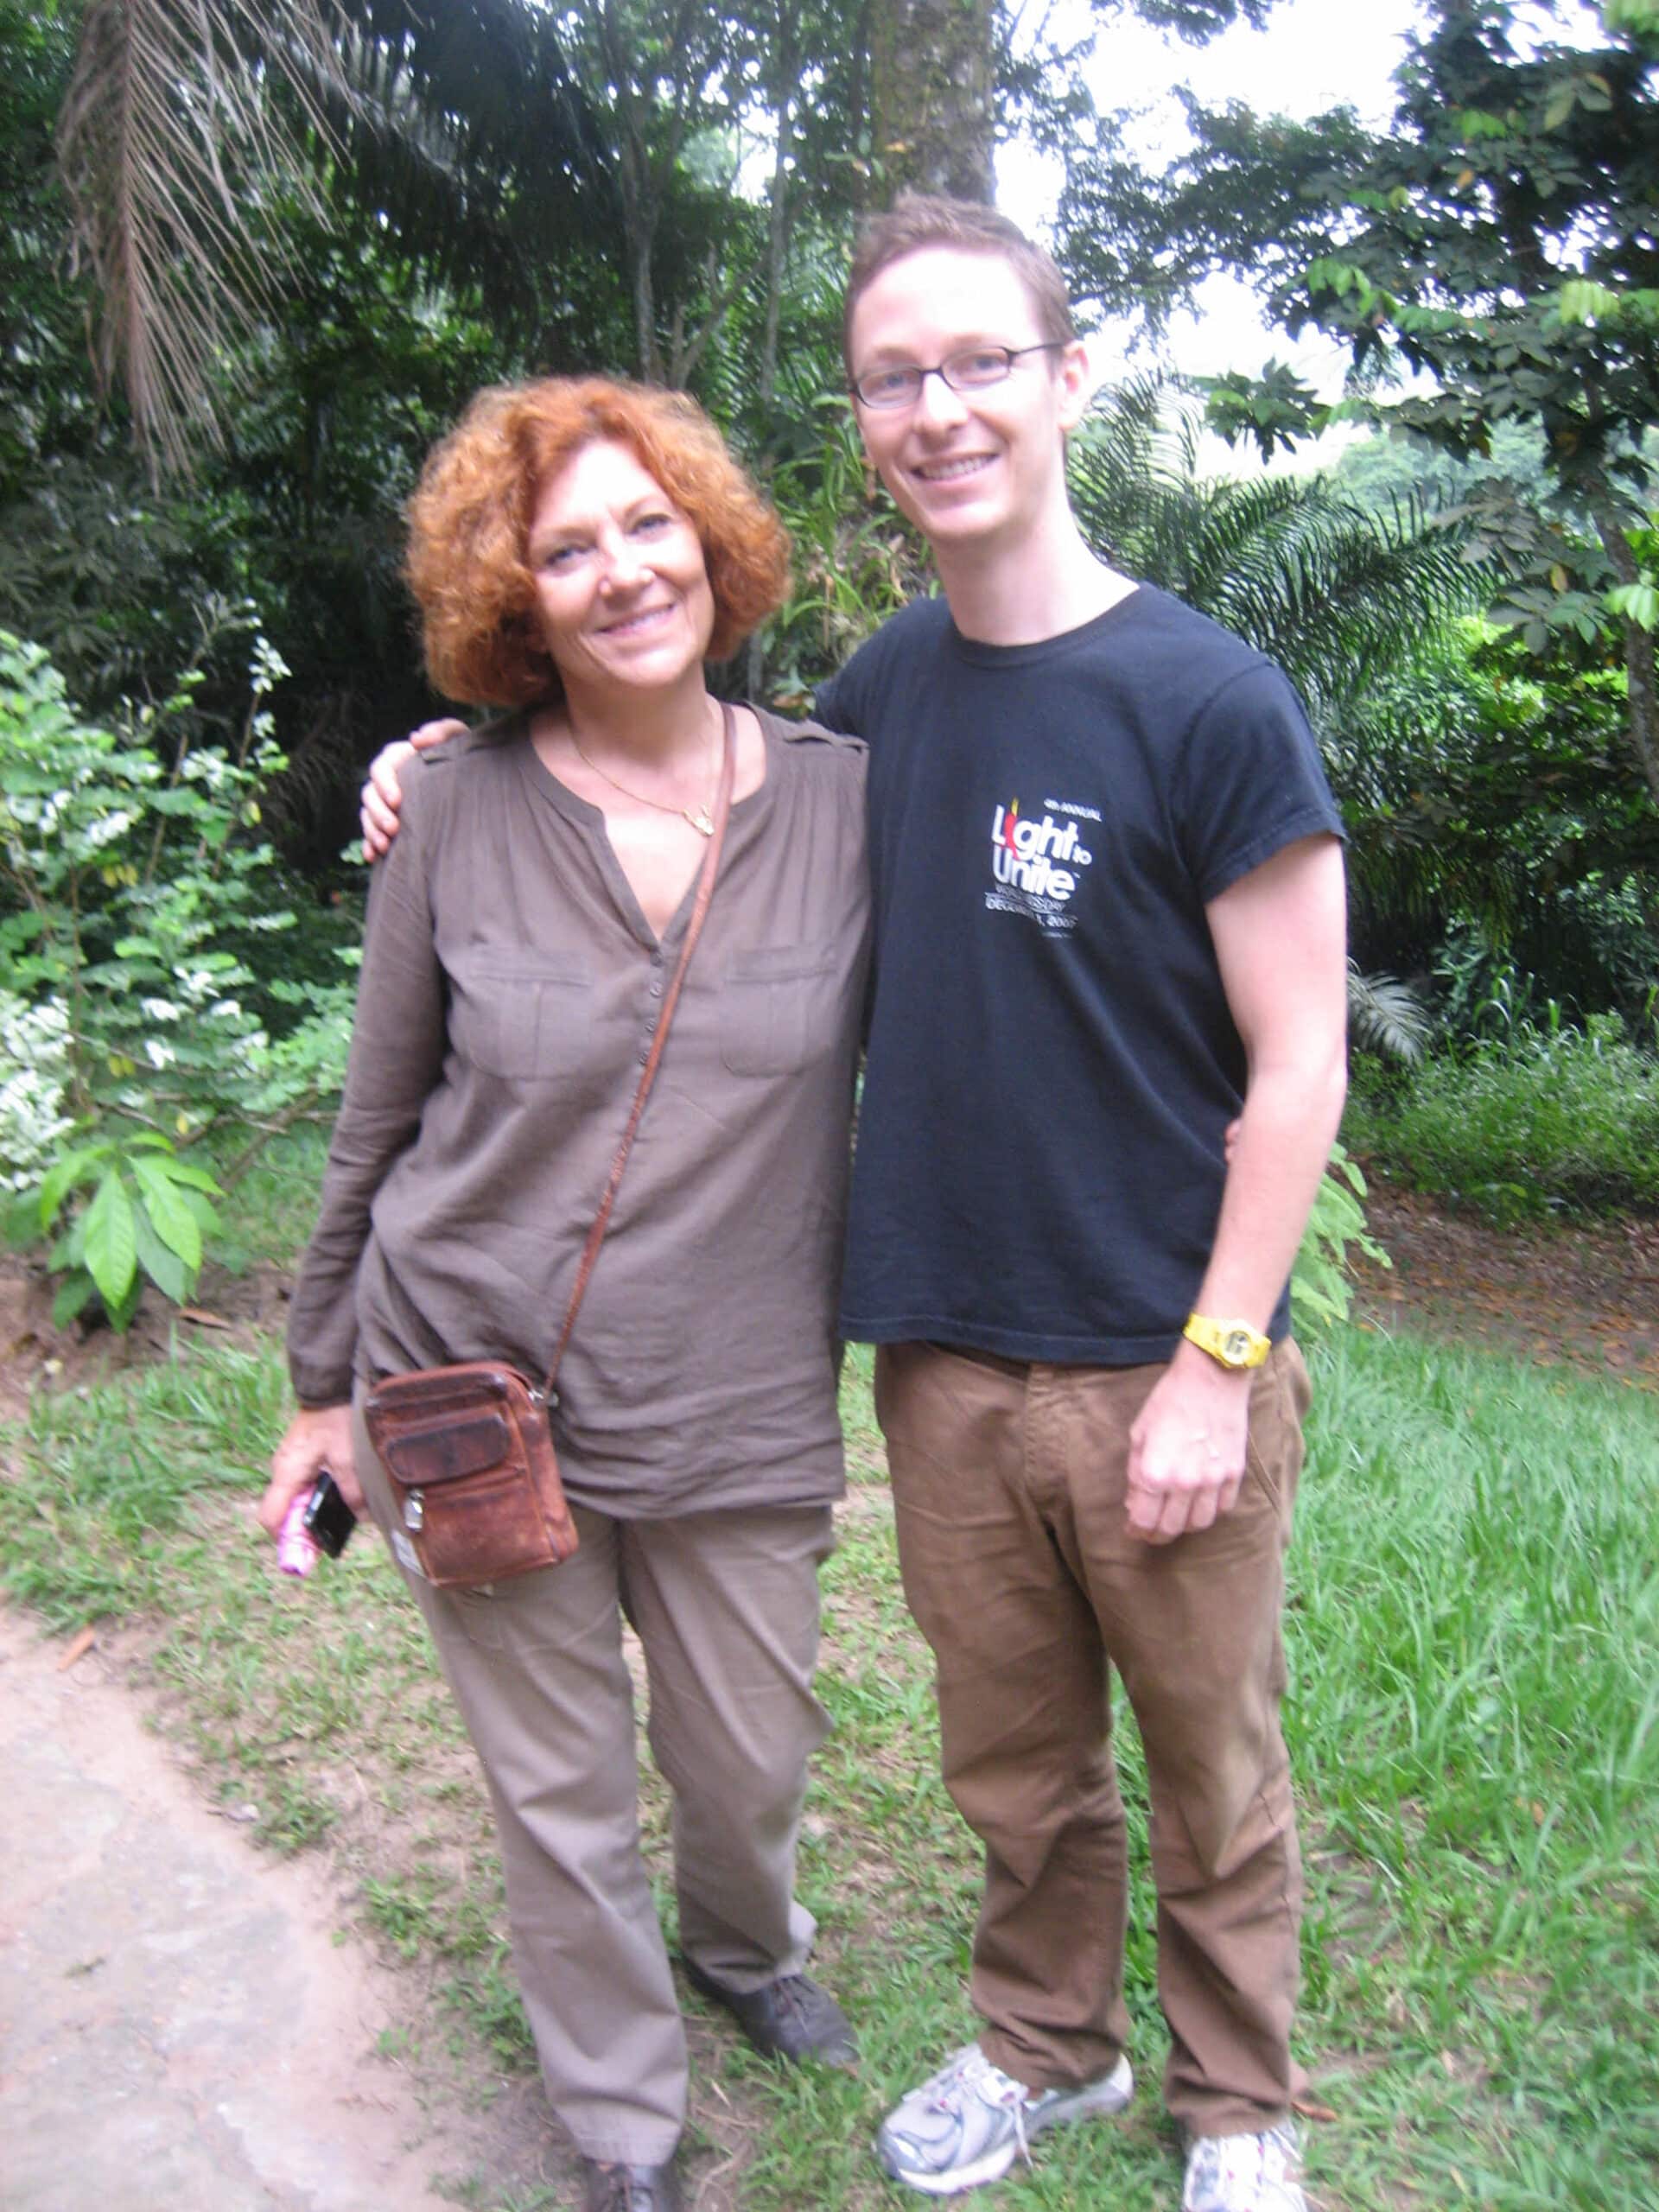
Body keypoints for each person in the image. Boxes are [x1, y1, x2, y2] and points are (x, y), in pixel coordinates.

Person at [363, 198, 1349, 2212]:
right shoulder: (882, 697)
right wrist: (451, 757)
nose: (940, 407)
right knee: (1016, 1762)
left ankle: (1240, 2101)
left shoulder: (1212, 697)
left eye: (982, 359)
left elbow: (1303, 1060)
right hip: (941, 1347)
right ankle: (1045, 2046)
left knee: (1210, 1757)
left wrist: (1218, 1358)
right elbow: (667, 769)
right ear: (865, 419)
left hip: (1165, 1344)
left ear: (1068, 377)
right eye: (897, 376)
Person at [262, 376, 871, 2212]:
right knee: (562, 1788)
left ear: (712, 540)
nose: (620, 572)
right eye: (567, 547)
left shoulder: (854, 802)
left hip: (741, 1383)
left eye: (647, 525)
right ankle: (623, 2117)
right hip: (472, 1382)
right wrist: (317, 1384)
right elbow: (378, 1122)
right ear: (513, 597)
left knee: (747, 1751)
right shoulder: (450, 809)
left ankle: (744, 1937)